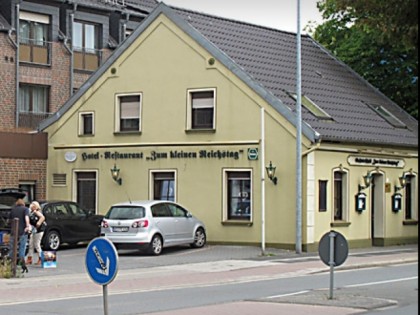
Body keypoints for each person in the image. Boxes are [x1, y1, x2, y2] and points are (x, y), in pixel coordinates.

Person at [8, 198, 30, 273]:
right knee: (22, 248)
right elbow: (26, 218)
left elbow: (9, 221)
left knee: (12, 248)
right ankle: (22, 265)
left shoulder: (13, 209)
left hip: (13, 232)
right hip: (22, 232)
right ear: (23, 203)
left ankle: (11, 265)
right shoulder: (25, 209)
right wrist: (27, 226)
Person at [26, 201, 46, 265]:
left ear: (35, 206)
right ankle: (29, 259)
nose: (31, 206)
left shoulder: (37, 212)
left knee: (37, 244)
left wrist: (38, 223)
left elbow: (42, 217)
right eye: (31, 204)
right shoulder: (31, 212)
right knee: (31, 244)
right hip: (34, 230)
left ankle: (41, 258)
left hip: (39, 230)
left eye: (32, 205)